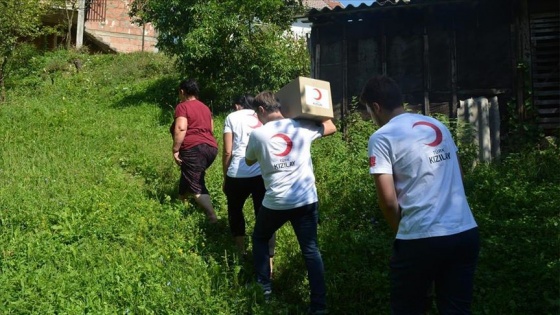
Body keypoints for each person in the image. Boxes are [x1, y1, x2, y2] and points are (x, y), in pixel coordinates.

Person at [360, 75, 480, 314]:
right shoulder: (437, 126)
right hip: (465, 232)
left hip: (420, 238)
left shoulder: (382, 137)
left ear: (376, 107)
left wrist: (401, 232)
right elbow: (459, 176)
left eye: (369, 112)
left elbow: (387, 200)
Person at [245, 91, 337, 315]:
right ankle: (319, 306)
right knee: (311, 250)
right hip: (305, 200)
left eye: (257, 114)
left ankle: (263, 286)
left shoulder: (258, 135)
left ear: (262, 111)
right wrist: (314, 109)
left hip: (276, 202)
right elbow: (331, 126)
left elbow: (249, 161)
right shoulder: (301, 127)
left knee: (260, 238)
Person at [222, 94, 276, 271]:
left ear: (238, 106)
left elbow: (228, 151)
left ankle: (240, 251)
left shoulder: (232, 117)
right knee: (263, 212)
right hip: (261, 172)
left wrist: (225, 176)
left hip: (237, 173)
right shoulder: (261, 115)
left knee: (235, 210)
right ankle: (269, 260)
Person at [171, 79, 218, 223]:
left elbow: (181, 128)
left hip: (194, 148)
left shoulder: (182, 106)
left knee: (196, 183)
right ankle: (181, 205)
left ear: (182, 91)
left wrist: (175, 149)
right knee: (189, 175)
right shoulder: (205, 107)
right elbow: (211, 128)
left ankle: (212, 216)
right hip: (211, 148)